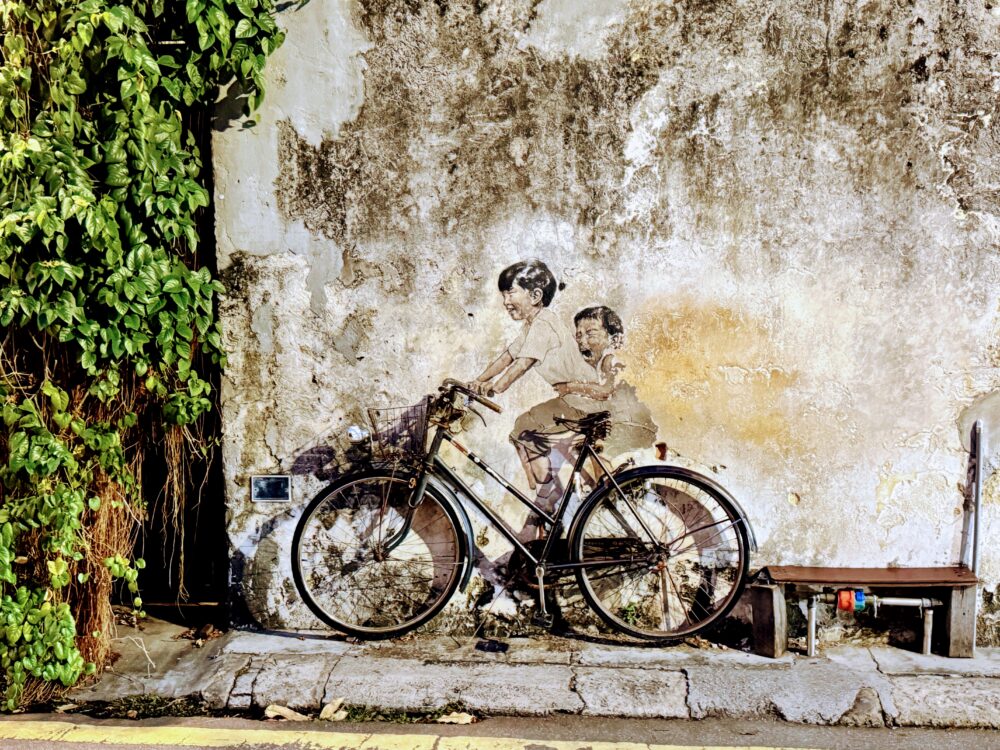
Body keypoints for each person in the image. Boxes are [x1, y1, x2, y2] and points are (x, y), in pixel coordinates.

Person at [469, 260, 592, 502]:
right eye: (504, 295)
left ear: (535, 295)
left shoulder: (544, 323)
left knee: (524, 429)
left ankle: (547, 495)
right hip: (572, 399)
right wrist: (476, 381)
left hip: (582, 399)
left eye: (511, 293)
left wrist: (496, 387)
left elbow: (523, 363)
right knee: (522, 432)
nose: (506, 301)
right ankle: (544, 494)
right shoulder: (532, 325)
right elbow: (507, 356)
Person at [555, 305, 657, 459]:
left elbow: (605, 391)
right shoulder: (601, 364)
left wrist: (570, 387)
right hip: (622, 425)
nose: (582, 341)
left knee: (595, 451)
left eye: (590, 334)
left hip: (631, 426)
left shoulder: (609, 360)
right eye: (579, 335)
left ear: (613, 339)